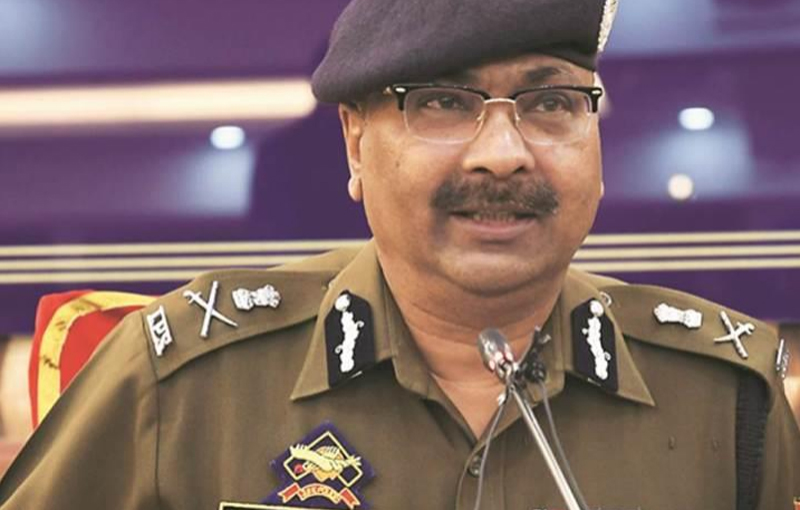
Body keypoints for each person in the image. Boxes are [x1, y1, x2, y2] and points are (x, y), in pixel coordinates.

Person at [1, 0, 799, 509]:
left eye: (551, 102)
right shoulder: (180, 382)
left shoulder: (726, 398)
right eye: (442, 102)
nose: (502, 155)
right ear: (355, 144)